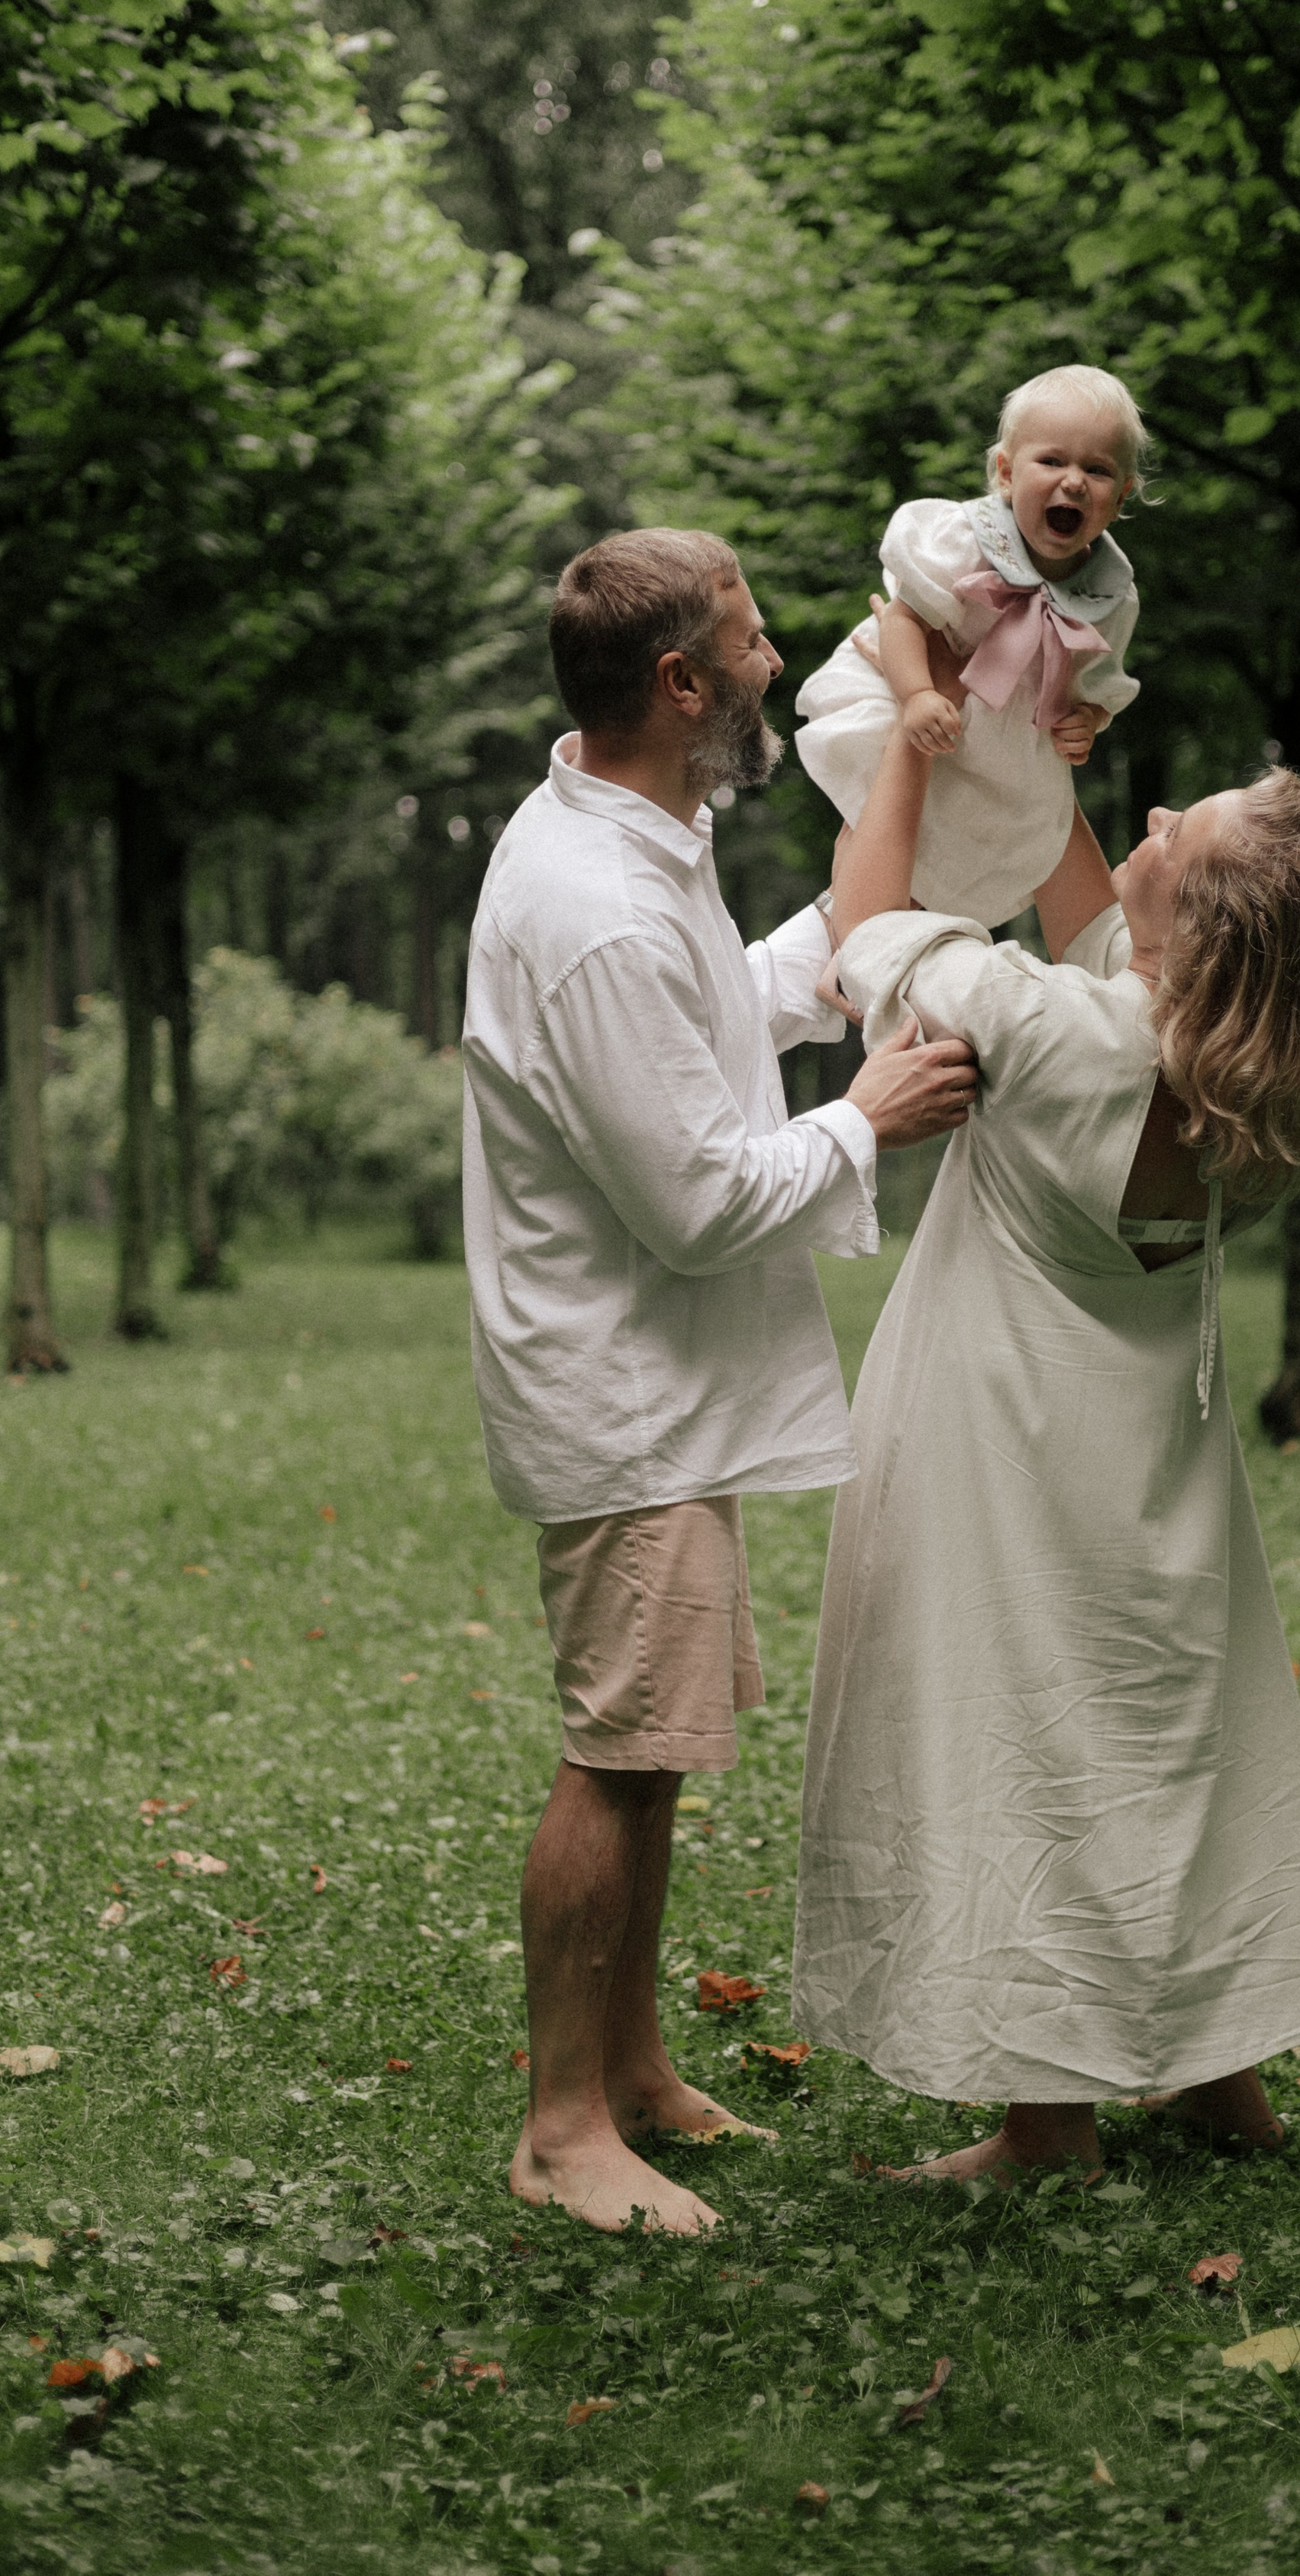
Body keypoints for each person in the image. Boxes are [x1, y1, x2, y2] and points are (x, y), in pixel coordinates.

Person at [792, 719, 1300, 2180]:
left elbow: (866, 932)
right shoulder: (1256, 1077)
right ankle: (1218, 2080)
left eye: (1172, 834)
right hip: (1151, 1465)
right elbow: (1093, 910)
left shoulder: (1057, 1033)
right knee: (1168, 1745)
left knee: (1025, 1740)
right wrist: (1022, 733)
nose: (1148, 814)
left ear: (1190, 929)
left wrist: (910, 763)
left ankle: (1045, 2126)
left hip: (1002, 1439)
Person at [462, 526, 978, 2237]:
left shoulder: (642, 837)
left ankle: (629, 2074)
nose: (772, 667)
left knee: (656, 1742)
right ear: (677, 683)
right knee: (616, 1753)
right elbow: (690, 1201)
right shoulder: (592, 902)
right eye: (751, 646)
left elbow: (717, 1013)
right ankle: (557, 2131)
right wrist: (865, 1117)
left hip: (660, 1386)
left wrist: (835, 950)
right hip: (621, 1392)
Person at [792, 364, 1147, 928]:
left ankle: (916, 947)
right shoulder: (965, 540)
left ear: (1122, 494)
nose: (1074, 480)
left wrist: (1088, 720)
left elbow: (1098, 685)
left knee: (969, 842)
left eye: (1097, 469)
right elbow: (904, 620)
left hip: (1003, 737)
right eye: (1052, 461)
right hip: (908, 687)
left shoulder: (1110, 593)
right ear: (1006, 473)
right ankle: (849, 924)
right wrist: (915, 696)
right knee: (876, 813)